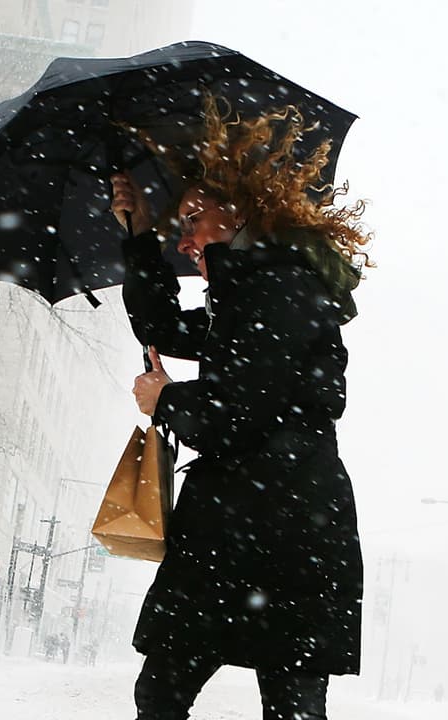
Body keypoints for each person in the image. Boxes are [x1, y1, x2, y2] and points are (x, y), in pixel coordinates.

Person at [111, 94, 370, 720]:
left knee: (222, 696)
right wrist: (139, 234)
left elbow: (234, 415)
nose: (186, 233)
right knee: (263, 699)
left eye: (195, 215)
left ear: (243, 209)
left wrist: (165, 397)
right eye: (180, 221)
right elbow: (164, 327)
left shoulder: (279, 288)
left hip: (272, 527)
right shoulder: (253, 290)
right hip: (269, 528)